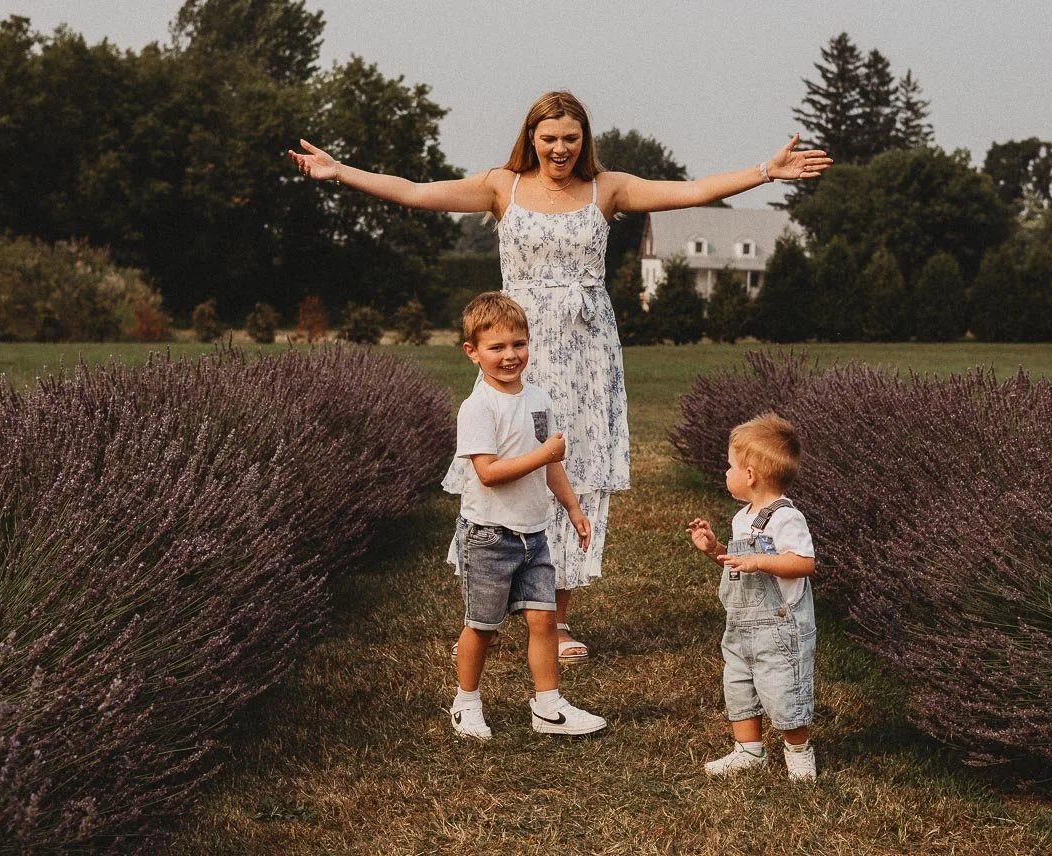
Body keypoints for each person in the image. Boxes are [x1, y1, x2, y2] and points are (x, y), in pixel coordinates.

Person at [290, 91, 831, 662]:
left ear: (584, 140)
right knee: (502, 463)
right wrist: (339, 172)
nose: (560, 148)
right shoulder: (504, 185)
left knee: (575, 469)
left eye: (570, 138)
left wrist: (766, 171)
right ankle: (486, 614)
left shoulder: (609, 187)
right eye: (549, 138)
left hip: (587, 352)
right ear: (532, 137)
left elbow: (694, 191)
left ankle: (557, 620)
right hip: (516, 345)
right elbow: (419, 193)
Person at [443, 291, 606, 739]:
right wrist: (544, 455)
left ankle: (549, 706)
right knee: (482, 625)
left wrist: (572, 507)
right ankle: (466, 702)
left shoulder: (537, 397)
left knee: (542, 619)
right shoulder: (478, 408)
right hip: (488, 537)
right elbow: (490, 473)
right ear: (472, 353)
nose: (510, 355)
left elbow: (551, 463)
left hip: (534, 535)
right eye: (496, 347)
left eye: (519, 344)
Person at [685, 413, 818, 780]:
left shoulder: (786, 517)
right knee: (739, 686)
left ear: (750, 475)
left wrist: (760, 560)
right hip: (741, 626)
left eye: (729, 466)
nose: (725, 472)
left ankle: (798, 750)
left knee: (784, 690)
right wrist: (714, 549)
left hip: (779, 630)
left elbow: (804, 563)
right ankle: (748, 750)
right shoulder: (742, 518)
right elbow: (736, 564)